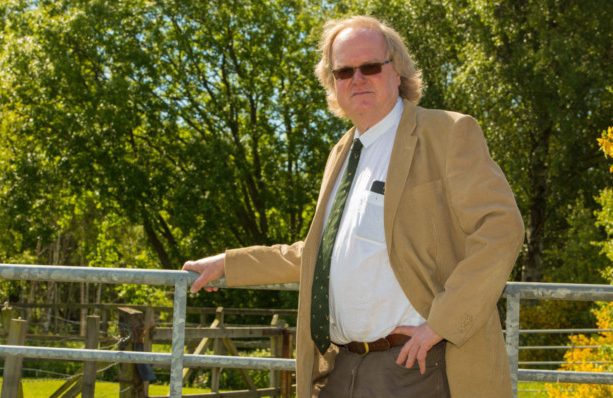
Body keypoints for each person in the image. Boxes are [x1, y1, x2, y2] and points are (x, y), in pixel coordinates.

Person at [183, 15, 524, 398]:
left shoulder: (447, 133)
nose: (357, 79)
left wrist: (441, 324)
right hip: (342, 367)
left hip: (416, 366)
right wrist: (228, 264)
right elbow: (322, 253)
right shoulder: (342, 153)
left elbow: (501, 228)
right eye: (344, 71)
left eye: (370, 67)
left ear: (398, 72)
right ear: (332, 83)